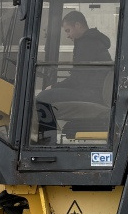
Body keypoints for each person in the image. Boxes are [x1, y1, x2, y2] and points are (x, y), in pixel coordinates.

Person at [35, 11, 112, 141]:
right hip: (93, 91)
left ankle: (47, 143)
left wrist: (54, 86)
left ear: (78, 25)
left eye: (68, 30)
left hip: (91, 94)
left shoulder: (86, 43)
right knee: (48, 94)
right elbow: (80, 76)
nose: (68, 35)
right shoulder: (93, 41)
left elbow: (77, 79)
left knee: (43, 98)